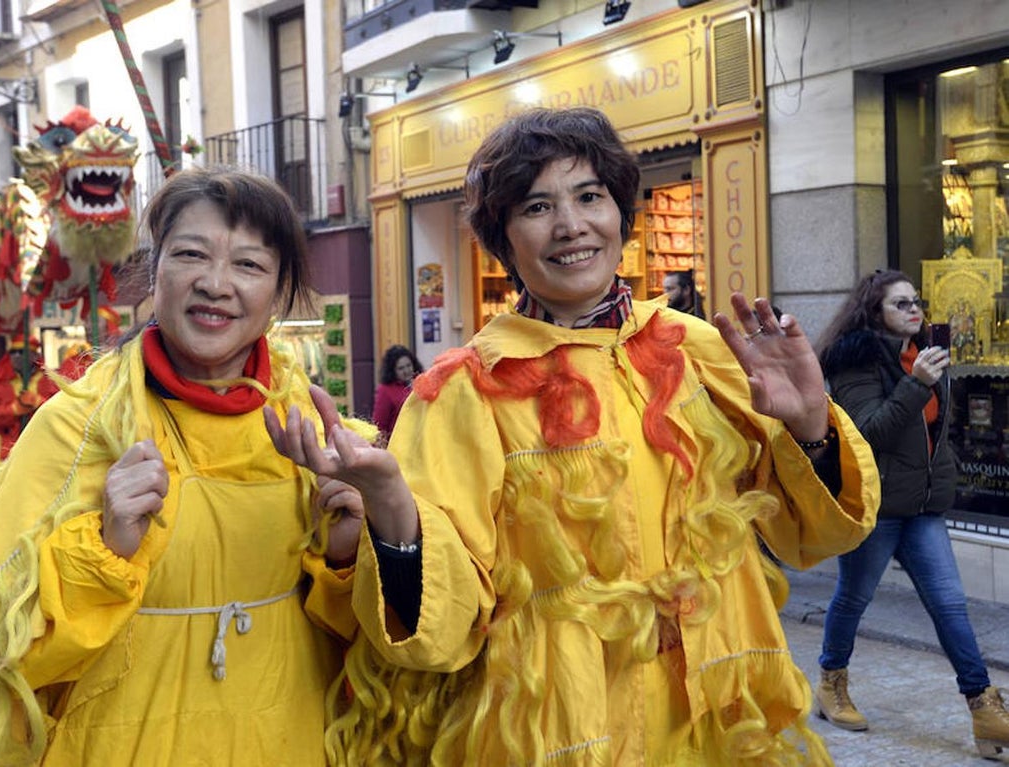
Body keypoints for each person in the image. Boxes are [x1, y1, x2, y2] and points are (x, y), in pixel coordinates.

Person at [265, 107, 881, 766]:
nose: (571, 225)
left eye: (590, 196)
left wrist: (811, 425)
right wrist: (391, 505)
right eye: (537, 206)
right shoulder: (462, 392)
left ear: (620, 213)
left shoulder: (698, 349)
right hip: (557, 729)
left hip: (717, 723)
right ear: (503, 237)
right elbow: (442, 629)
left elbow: (815, 536)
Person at [0, 167, 370, 766]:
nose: (216, 283)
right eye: (190, 255)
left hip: (283, 741)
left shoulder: (314, 435)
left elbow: (378, 651)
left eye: (249, 265)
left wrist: (347, 549)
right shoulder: (78, 425)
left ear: (280, 292)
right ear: (154, 272)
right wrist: (105, 550)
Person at [813, 269, 1009, 756]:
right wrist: (917, 384)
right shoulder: (855, 362)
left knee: (949, 605)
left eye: (915, 301)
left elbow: (932, 430)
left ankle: (985, 710)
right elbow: (869, 432)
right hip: (877, 508)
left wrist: (946, 466)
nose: (914, 309)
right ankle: (831, 683)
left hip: (922, 507)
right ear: (873, 312)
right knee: (853, 600)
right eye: (900, 304)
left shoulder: (918, 356)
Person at [0, 333, 59, 464]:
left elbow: (62, 411)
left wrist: (40, 403)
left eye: (22, 352)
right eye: (13, 352)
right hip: (7, 452)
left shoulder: (51, 380)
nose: (17, 356)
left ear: (35, 355)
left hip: (45, 448)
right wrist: (13, 410)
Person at [371, 344, 423, 443]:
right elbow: (380, 424)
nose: (406, 371)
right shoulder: (385, 390)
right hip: (397, 444)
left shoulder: (420, 383)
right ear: (392, 371)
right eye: (401, 368)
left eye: (409, 365)